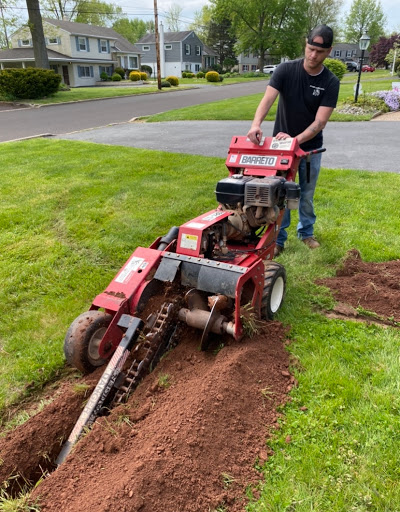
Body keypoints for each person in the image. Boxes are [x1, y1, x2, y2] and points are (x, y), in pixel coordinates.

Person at [247, 24, 339, 256]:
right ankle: (278, 238)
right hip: (281, 150)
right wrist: (256, 124)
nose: (313, 55)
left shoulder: (330, 82)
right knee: (280, 193)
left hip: (310, 150)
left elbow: (319, 123)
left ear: (329, 51)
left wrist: (294, 141)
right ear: (305, 45)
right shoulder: (285, 70)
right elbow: (268, 99)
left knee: (305, 195)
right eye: (310, 49)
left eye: (319, 51)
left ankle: (306, 232)